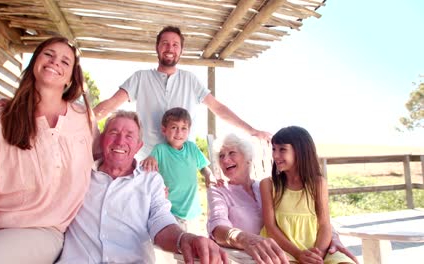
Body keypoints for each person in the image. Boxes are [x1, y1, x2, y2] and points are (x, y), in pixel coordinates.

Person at [0, 37, 95, 263]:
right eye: (48, 54)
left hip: (38, 230)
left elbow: (109, 157)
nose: (54, 62)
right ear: (34, 63)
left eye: (65, 61)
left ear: (71, 78)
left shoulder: (83, 121)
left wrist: (148, 178)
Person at [57, 110, 228, 264]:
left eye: (129, 136)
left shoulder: (151, 181)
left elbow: (161, 221)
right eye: (114, 132)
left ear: (139, 146)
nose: (120, 141)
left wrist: (183, 238)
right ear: (102, 140)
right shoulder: (79, 174)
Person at [93, 26, 272, 160]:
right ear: (157, 48)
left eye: (175, 45)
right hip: (147, 162)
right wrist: (83, 121)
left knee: (182, 211)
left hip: (182, 162)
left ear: (181, 51)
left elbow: (218, 108)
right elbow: (111, 104)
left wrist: (252, 131)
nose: (170, 48)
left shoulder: (190, 80)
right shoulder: (141, 78)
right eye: (165, 43)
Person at [207, 133, 358, 264]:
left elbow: (312, 217)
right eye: (221, 156)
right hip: (260, 257)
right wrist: (243, 238)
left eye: (231, 153)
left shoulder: (269, 187)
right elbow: (218, 229)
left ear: (248, 158)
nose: (225, 160)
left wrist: (334, 238)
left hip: (297, 249)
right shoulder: (219, 190)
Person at [260, 126, 355, 264]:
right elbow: (271, 227)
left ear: (300, 151)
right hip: (285, 250)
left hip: (317, 248)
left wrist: (318, 253)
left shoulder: (318, 183)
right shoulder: (268, 184)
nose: (275, 155)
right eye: (274, 149)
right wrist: (298, 254)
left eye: (282, 149)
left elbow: (324, 225)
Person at [142, 107, 220, 234]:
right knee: (177, 248)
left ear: (188, 131)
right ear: (164, 130)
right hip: (171, 212)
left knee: (195, 247)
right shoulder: (160, 150)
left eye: (184, 128)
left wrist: (208, 175)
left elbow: (203, 167)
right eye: (174, 127)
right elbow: (151, 165)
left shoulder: (192, 148)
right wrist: (150, 159)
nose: (179, 132)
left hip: (193, 212)